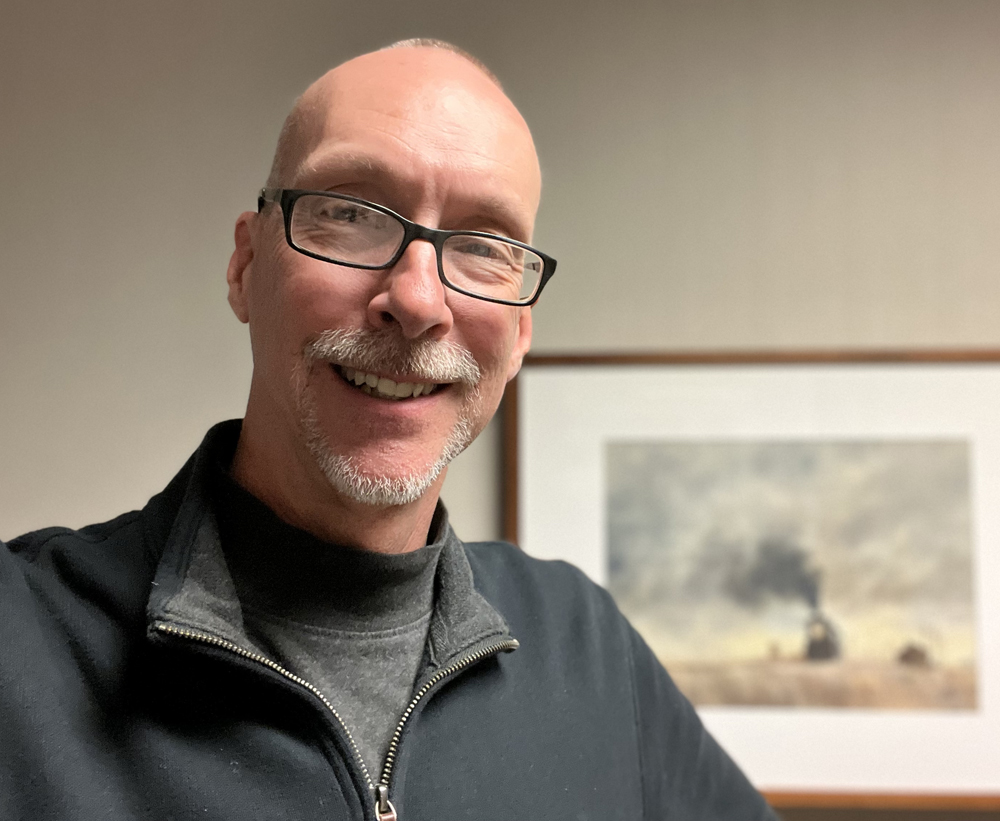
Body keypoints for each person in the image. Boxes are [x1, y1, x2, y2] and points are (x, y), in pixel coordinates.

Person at [0, 40, 777, 821]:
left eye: (485, 246)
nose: (418, 300)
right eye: (349, 214)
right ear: (245, 266)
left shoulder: (588, 649)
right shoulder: (20, 645)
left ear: (521, 334)